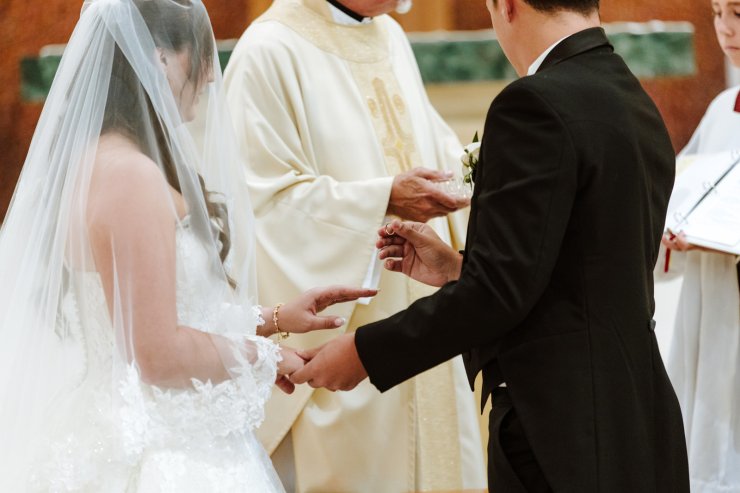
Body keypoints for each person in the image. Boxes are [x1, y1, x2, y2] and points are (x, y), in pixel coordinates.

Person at [292, 0, 691, 491]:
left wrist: (364, 352)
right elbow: (586, 267)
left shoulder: (535, 103)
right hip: (634, 412)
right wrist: (460, 268)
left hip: (561, 430)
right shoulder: (629, 93)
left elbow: (498, 294)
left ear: (507, 6)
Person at [0, 0, 374, 491]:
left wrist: (275, 318)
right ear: (160, 59)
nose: (211, 75)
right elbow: (157, 353)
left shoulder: (93, 162)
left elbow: (151, 313)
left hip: (112, 424)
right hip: (160, 452)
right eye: (199, 54)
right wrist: (265, 358)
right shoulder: (131, 177)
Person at [223, 0, 486, 491]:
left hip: (421, 321)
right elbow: (259, 204)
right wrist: (382, 198)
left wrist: (473, 179)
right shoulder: (269, 49)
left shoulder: (388, 35)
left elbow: (431, 147)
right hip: (346, 343)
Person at [661, 0, 740, 490]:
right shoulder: (722, 109)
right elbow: (685, 188)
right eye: (716, 13)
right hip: (713, 303)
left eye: (739, 13)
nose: (725, 29)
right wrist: (670, 224)